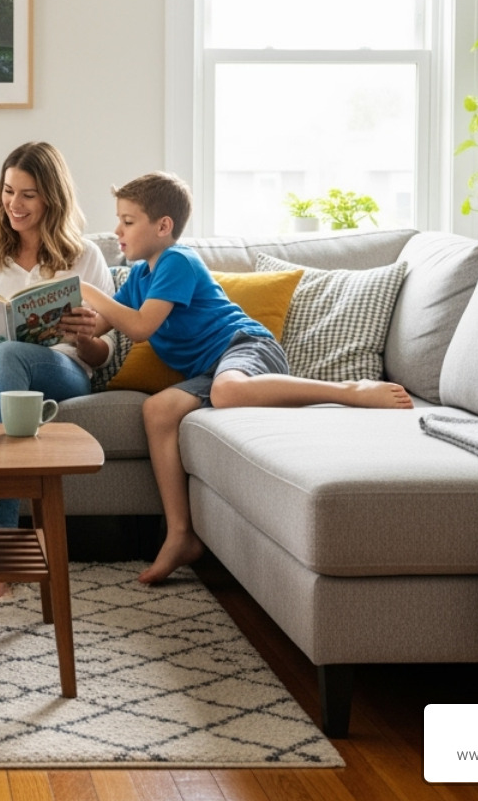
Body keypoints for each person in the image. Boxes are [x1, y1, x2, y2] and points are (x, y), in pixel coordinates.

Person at [79, 172, 412, 586]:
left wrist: (88, 290)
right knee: (158, 409)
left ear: (163, 227)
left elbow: (141, 326)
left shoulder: (176, 261)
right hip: (208, 370)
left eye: (127, 221)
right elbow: (99, 328)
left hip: (247, 346)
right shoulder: (141, 279)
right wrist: (66, 321)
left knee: (228, 390)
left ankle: (350, 391)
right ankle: (181, 534)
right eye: (118, 220)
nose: (117, 231)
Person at [0, 142, 113, 598]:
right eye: (8, 191)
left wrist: (85, 336)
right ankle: (7, 540)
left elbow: (103, 355)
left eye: (28, 194)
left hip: (59, 371)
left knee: (11, 354)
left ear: (52, 197)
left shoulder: (86, 256)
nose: (14, 204)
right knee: (2, 363)